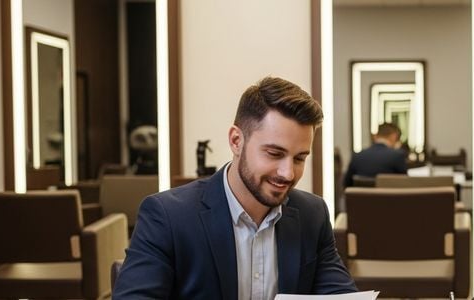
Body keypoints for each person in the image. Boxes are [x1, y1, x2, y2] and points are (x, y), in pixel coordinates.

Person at [113, 77, 357, 299]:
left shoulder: (312, 214)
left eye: (299, 158)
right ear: (236, 141)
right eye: (274, 153)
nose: (288, 173)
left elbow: (338, 294)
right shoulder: (167, 216)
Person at [342, 123, 408, 188]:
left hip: (362, 198)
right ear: (394, 136)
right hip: (388, 198)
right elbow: (405, 184)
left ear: (376, 136)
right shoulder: (397, 155)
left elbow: (347, 184)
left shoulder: (357, 155)